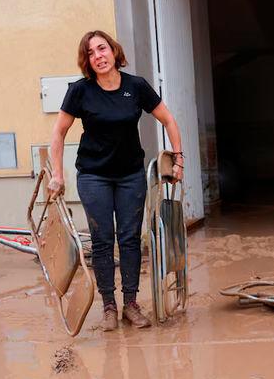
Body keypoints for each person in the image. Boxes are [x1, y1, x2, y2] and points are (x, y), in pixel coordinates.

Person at [48, 30, 184, 332]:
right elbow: (58, 132)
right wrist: (57, 174)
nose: (99, 55)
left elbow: (168, 119)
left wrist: (179, 158)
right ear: (87, 60)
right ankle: (109, 306)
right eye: (91, 52)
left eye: (102, 48)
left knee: (130, 238)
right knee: (102, 240)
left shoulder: (136, 87)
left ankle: (131, 304)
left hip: (130, 176)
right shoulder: (80, 91)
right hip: (93, 175)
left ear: (113, 51)